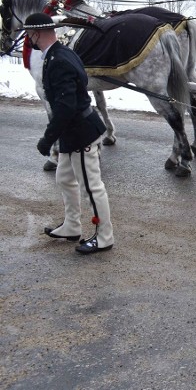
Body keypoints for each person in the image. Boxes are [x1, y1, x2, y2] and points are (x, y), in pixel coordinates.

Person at [22, 13, 114, 255]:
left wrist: (47, 139)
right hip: (73, 132)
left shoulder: (58, 60)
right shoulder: (61, 53)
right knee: (64, 178)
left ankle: (104, 236)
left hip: (81, 133)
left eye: (28, 34)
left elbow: (65, 107)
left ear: (35, 33)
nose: (28, 40)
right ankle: (72, 226)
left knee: (92, 187)